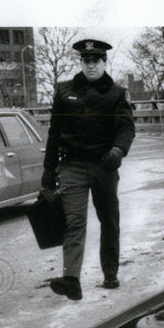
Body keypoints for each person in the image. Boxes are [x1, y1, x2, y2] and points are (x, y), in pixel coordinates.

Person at [41, 38, 135, 301]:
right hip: (72, 165)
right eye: (86, 61)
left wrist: (118, 150)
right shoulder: (64, 91)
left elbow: (127, 128)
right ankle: (72, 280)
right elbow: (54, 132)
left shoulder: (116, 94)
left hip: (104, 166)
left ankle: (110, 273)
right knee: (74, 222)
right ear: (81, 62)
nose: (91, 66)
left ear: (105, 62)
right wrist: (49, 169)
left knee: (109, 219)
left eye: (96, 61)